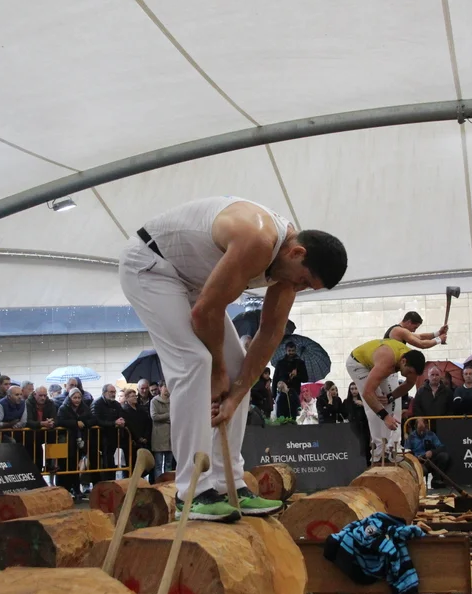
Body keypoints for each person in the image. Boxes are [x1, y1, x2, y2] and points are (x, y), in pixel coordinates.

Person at [119, 196, 347, 522]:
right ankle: (192, 492)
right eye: (304, 281)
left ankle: (229, 483)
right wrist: (217, 371)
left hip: (193, 282)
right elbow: (204, 313)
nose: (299, 288)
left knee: (243, 368)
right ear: (297, 253)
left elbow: (269, 334)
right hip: (150, 266)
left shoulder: (289, 267)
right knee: (195, 362)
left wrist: (235, 395)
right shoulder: (257, 239)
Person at [345, 339, 427, 462]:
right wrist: (385, 417)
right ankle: (379, 450)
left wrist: (390, 397)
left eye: (413, 373)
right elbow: (367, 393)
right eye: (409, 372)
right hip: (358, 364)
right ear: (403, 362)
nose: (409, 375)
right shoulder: (387, 362)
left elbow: (409, 384)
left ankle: (392, 446)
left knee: (390, 400)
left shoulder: (413, 362)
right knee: (374, 402)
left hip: (377, 363)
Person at [55, 387, 94, 499]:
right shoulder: (63, 408)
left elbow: (92, 420)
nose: (77, 400)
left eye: (79, 397)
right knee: (65, 466)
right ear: (70, 397)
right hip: (66, 440)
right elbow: (60, 421)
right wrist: (75, 423)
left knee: (75, 466)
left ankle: (76, 489)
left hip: (79, 441)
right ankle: (64, 490)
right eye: (74, 397)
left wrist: (83, 423)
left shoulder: (84, 407)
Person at [404, 418, 450, 488]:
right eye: (420, 429)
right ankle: (418, 485)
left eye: (423, 429)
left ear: (426, 427)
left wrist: (432, 452)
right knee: (423, 470)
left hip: (430, 459)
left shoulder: (431, 434)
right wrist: (415, 458)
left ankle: (436, 480)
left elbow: (441, 447)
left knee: (444, 456)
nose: (422, 432)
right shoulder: (411, 437)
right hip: (418, 461)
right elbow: (407, 451)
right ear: (416, 427)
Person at [274, 341, 308, 419]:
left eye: (293, 351)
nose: (291, 353)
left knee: (294, 415)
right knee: (281, 415)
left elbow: (305, 378)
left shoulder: (300, 363)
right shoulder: (280, 363)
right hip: (282, 393)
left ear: (295, 351)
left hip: (294, 393)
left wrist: (296, 375)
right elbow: (275, 378)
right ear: (286, 350)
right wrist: (274, 395)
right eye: (289, 351)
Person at [150, 382, 174, 480]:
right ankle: (158, 483)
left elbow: (176, 415)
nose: (167, 389)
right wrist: (169, 415)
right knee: (158, 464)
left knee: (169, 464)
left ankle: (168, 483)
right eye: (165, 386)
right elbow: (154, 416)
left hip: (170, 436)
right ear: (160, 388)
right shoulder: (154, 401)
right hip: (158, 436)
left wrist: (167, 417)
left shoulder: (173, 400)